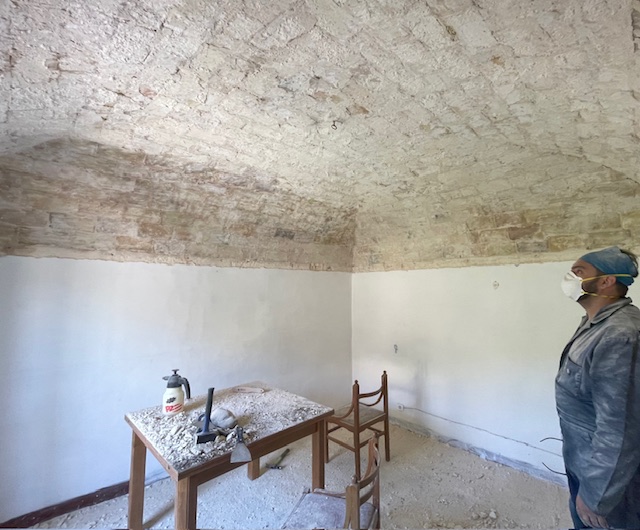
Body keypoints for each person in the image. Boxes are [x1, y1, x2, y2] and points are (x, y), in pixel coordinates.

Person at [556, 246, 640, 528]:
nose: (569, 277)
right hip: (584, 459)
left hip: (612, 480)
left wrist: (596, 495)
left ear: (607, 281)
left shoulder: (620, 335)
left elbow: (620, 428)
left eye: (578, 272)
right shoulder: (595, 324)